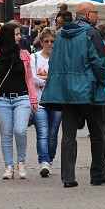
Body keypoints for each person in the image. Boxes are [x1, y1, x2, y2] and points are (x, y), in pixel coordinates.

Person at [40, 1, 105, 188]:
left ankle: (68, 177)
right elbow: (100, 62)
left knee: (68, 134)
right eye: (95, 13)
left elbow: (54, 62)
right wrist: (103, 81)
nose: (97, 16)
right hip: (88, 90)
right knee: (97, 132)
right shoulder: (91, 33)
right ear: (88, 15)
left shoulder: (62, 34)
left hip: (66, 91)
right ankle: (97, 174)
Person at [0, 22, 39, 179]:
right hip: (2, 99)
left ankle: (21, 161)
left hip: (22, 98)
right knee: (6, 134)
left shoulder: (23, 55)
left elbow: (29, 78)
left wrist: (33, 98)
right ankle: (8, 166)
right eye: (16, 34)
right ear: (9, 36)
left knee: (20, 130)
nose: (19, 37)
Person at [31, 27, 63, 177]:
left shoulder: (60, 58)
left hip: (57, 100)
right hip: (39, 101)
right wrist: (50, 78)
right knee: (42, 133)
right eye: (47, 41)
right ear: (41, 42)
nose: (50, 44)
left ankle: (50, 159)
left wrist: (43, 79)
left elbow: (62, 78)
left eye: (52, 41)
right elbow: (31, 78)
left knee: (53, 133)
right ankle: (43, 161)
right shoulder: (35, 58)